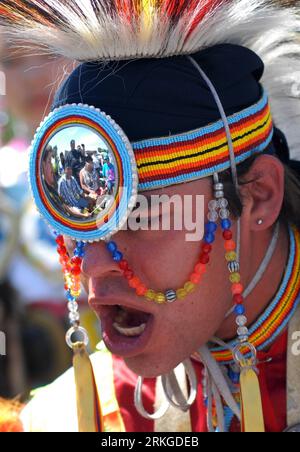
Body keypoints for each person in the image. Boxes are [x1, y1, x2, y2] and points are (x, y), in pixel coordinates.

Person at [1, 0, 300, 434]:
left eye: (142, 214)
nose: (95, 266)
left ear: (259, 196)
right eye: (79, 220)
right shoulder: (84, 417)